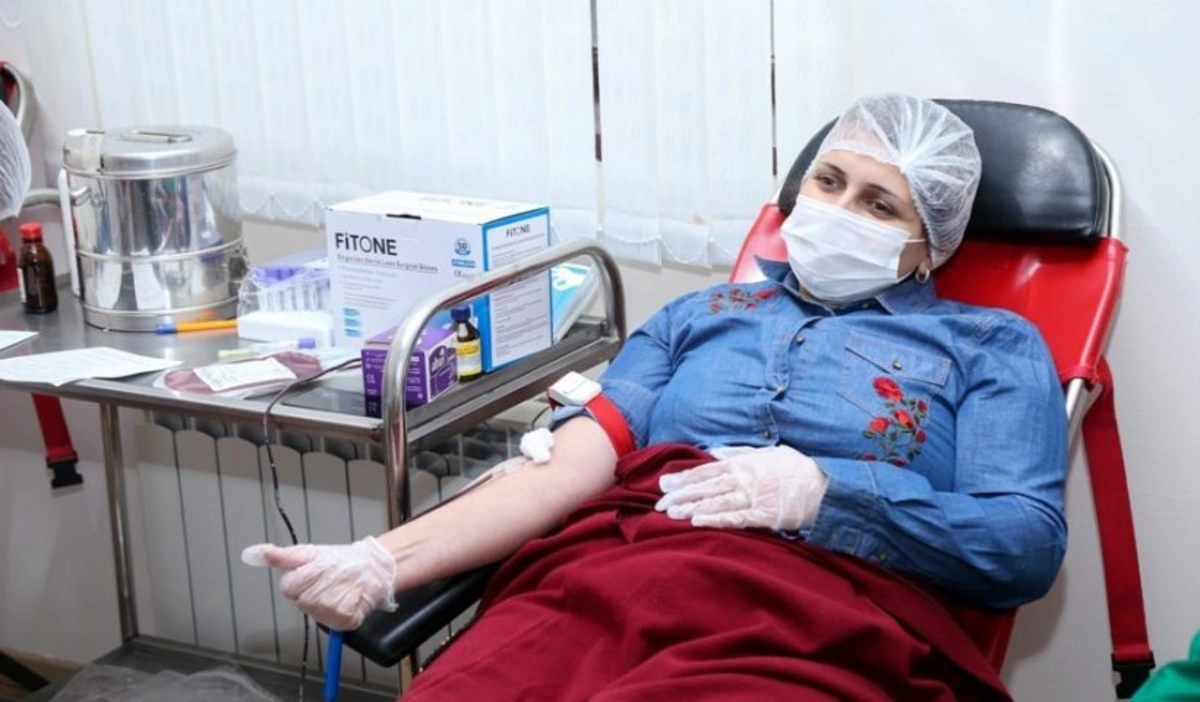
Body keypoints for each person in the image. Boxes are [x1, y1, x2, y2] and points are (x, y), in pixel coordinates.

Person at [244, 93, 1067, 701]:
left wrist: (827, 494)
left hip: (814, 618)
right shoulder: (701, 314)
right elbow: (570, 466)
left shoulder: (988, 346)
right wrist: (380, 560)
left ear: (931, 245)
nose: (839, 211)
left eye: (879, 205)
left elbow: (1023, 545)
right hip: (608, 582)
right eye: (829, 181)